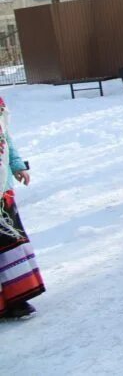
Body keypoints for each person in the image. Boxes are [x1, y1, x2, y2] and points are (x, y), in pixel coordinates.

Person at [0, 99, 44, 320]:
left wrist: (17, 165)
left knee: (9, 244)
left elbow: (5, 138)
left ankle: (17, 299)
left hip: (2, 188)